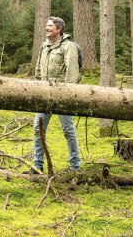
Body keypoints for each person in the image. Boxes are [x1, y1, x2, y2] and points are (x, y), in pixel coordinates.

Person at [26, 16, 81, 173]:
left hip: (63, 95)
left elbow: (72, 73)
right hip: (45, 94)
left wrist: (68, 94)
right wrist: (38, 86)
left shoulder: (68, 46)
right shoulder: (44, 46)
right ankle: (37, 165)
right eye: (46, 25)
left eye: (50, 26)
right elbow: (38, 68)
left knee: (68, 130)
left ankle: (75, 166)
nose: (47, 28)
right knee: (38, 129)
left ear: (58, 29)